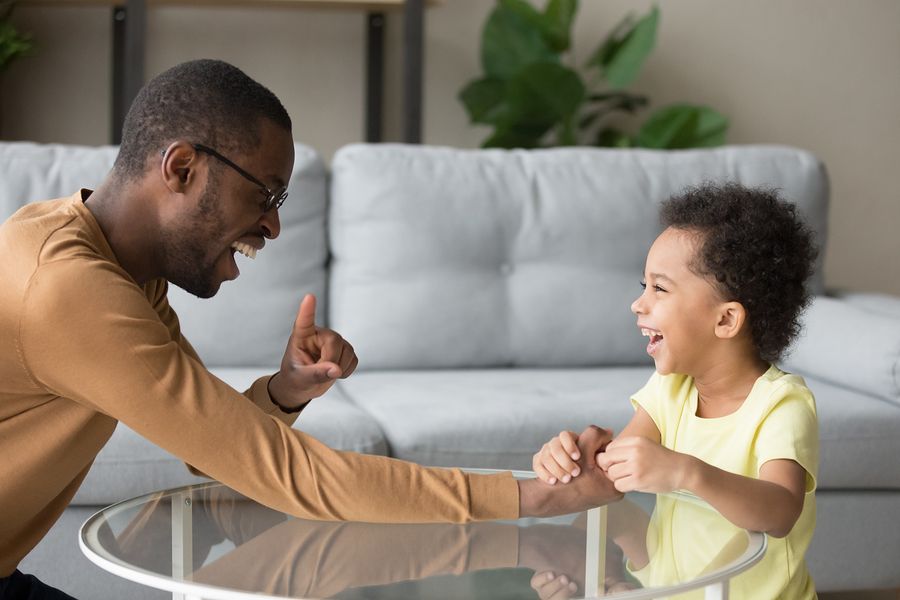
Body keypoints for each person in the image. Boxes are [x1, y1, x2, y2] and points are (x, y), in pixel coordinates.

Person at [0, 59, 621, 598]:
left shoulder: (109, 262)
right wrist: (536, 499)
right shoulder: (68, 288)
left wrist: (284, 391)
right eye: (266, 194)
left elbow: (207, 448)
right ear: (182, 167)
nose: (272, 227)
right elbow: (289, 475)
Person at [532, 183, 820, 599]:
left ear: (725, 321)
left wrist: (686, 471)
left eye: (659, 289)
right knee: (601, 517)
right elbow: (609, 480)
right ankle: (597, 583)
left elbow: (780, 512)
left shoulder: (782, 404)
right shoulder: (671, 388)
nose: (638, 303)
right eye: (643, 285)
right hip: (673, 586)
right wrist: (572, 455)